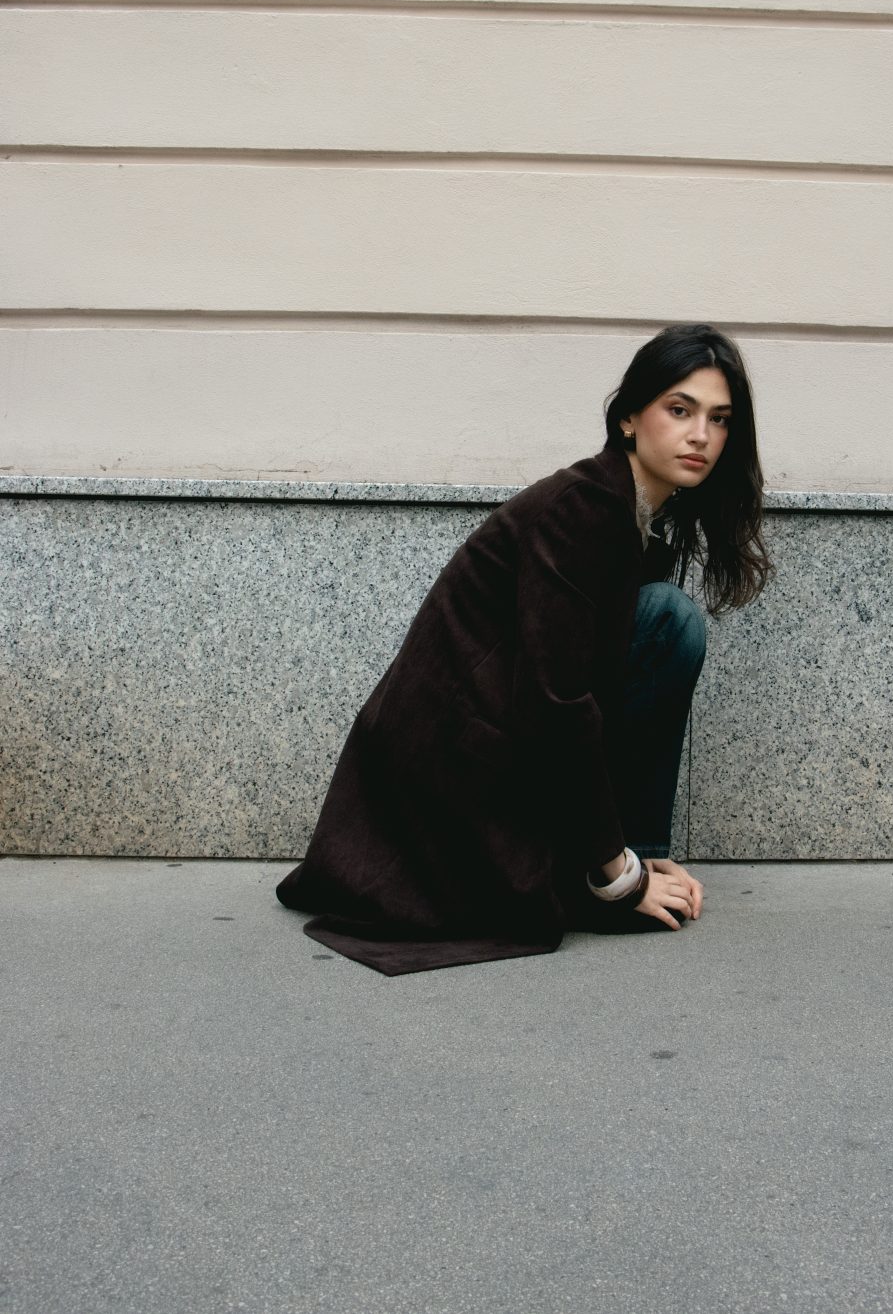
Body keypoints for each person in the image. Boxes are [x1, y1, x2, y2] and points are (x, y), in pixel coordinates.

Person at [276, 323, 773, 974]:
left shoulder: (635, 516)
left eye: (719, 419)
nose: (701, 435)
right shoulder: (581, 510)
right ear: (629, 418)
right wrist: (616, 879)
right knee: (669, 622)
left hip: (496, 735)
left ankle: (634, 856)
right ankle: (617, 874)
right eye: (679, 410)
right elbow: (557, 700)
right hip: (446, 767)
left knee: (665, 624)